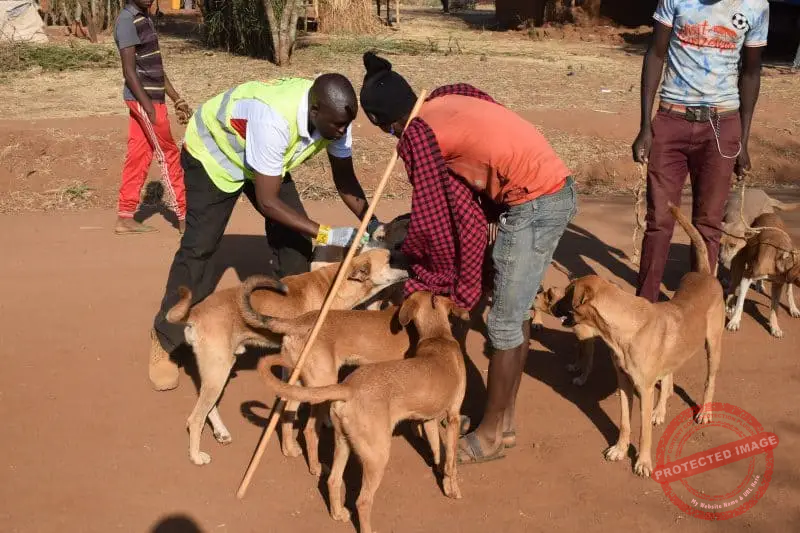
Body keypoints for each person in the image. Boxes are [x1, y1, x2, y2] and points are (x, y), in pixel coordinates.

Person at [358, 52, 577, 465]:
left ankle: (490, 437)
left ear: (385, 122)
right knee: (517, 312)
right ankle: (503, 422)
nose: (393, 138)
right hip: (551, 189)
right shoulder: (445, 98)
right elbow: (460, 197)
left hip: (534, 203)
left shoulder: (417, 136)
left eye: (388, 131)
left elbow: (433, 221)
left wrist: (426, 270)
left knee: (504, 323)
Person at [148, 74, 383, 391]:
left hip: (264, 163)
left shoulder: (337, 117)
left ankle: (296, 334)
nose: (343, 132)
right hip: (214, 158)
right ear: (315, 111)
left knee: (295, 245)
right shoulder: (274, 119)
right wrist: (328, 234)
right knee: (200, 248)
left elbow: (345, 180)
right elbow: (269, 202)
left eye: (346, 125)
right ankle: (165, 339)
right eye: (338, 126)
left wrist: (372, 223)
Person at [632, 0, 769, 302]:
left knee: (708, 223)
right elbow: (655, 54)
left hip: (722, 125)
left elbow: (751, 73)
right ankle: (646, 304)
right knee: (659, 221)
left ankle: (698, 305)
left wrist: (743, 141)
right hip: (671, 119)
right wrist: (645, 126)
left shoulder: (756, 6)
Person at [113, 0, 190, 235]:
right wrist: (148, 108)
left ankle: (125, 217)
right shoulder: (127, 20)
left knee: (138, 155)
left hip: (153, 98)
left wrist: (176, 98)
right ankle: (184, 216)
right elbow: (129, 71)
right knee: (168, 154)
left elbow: (154, 66)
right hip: (146, 100)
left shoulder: (145, 17)